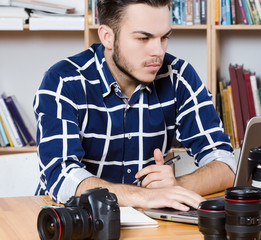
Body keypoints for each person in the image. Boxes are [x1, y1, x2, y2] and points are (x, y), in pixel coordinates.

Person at [33, 0, 236, 211]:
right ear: (107, 37)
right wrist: (144, 196)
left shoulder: (179, 76)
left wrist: (175, 187)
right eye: (143, 38)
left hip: (149, 221)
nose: (158, 51)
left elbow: (225, 164)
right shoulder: (63, 81)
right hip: (74, 220)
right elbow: (61, 177)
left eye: (164, 37)